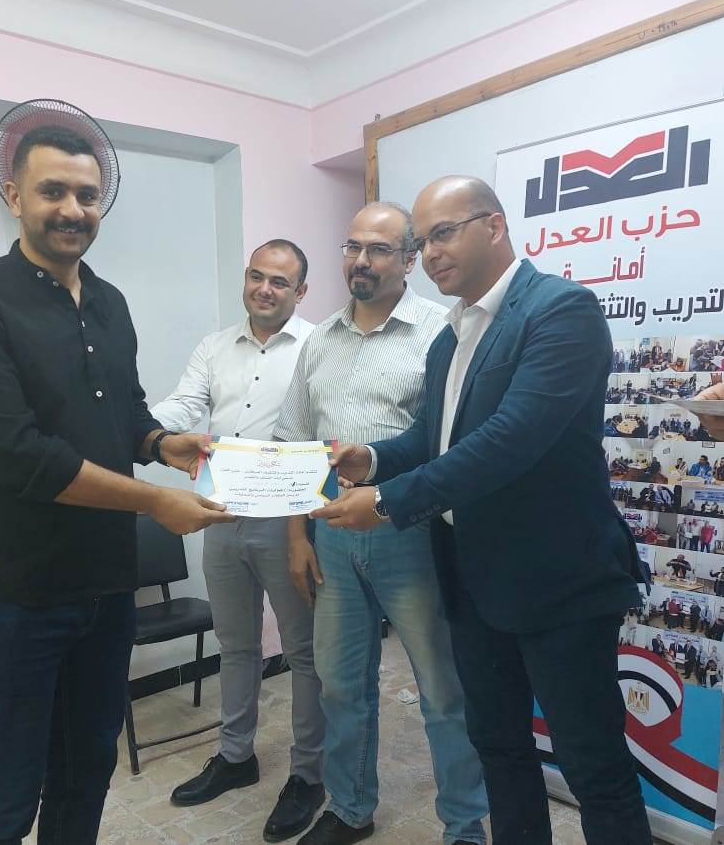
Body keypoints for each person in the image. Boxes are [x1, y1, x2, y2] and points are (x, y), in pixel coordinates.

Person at [0, 108, 235, 844]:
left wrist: (165, 443)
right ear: (14, 195)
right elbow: (20, 454)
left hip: (104, 587)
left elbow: (125, 413)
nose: (72, 209)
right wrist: (155, 501)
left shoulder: (109, 300)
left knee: (85, 775)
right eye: (53, 191)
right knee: (5, 796)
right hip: (10, 596)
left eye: (87, 195)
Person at [313, 177, 650, 844]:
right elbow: (432, 438)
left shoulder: (561, 310)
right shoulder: (450, 337)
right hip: (472, 580)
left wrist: (388, 500)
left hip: (559, 582)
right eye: (423, 241)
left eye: (444, 233)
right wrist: (370, 460)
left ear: (494, 226)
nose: (431, 253)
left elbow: (511, 439)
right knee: (499, 747)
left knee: (593, 765)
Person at [274, 201, 489, 844]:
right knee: (341, 685)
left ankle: (464, 825)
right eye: (352, 247)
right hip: (332, 538)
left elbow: (448, 441)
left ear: (409, 259)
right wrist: (296, 535)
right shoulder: (319, 340)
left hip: (411, 533)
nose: (361, 261)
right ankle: (349, 808)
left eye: (378, 249)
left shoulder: (440, 332)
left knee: (442, 691)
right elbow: (296, 444)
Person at [152, 240, 327, 841]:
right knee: (235, 645)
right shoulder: (214, 346)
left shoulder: (318, 346)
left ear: (300, 291)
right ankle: (235, 756)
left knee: (304, 652)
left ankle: (308, 774)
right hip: (221, 512)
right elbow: (186, 404)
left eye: (280, 281)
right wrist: (146, 430)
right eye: (257, 276)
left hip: (288, 521)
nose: (264, 289)